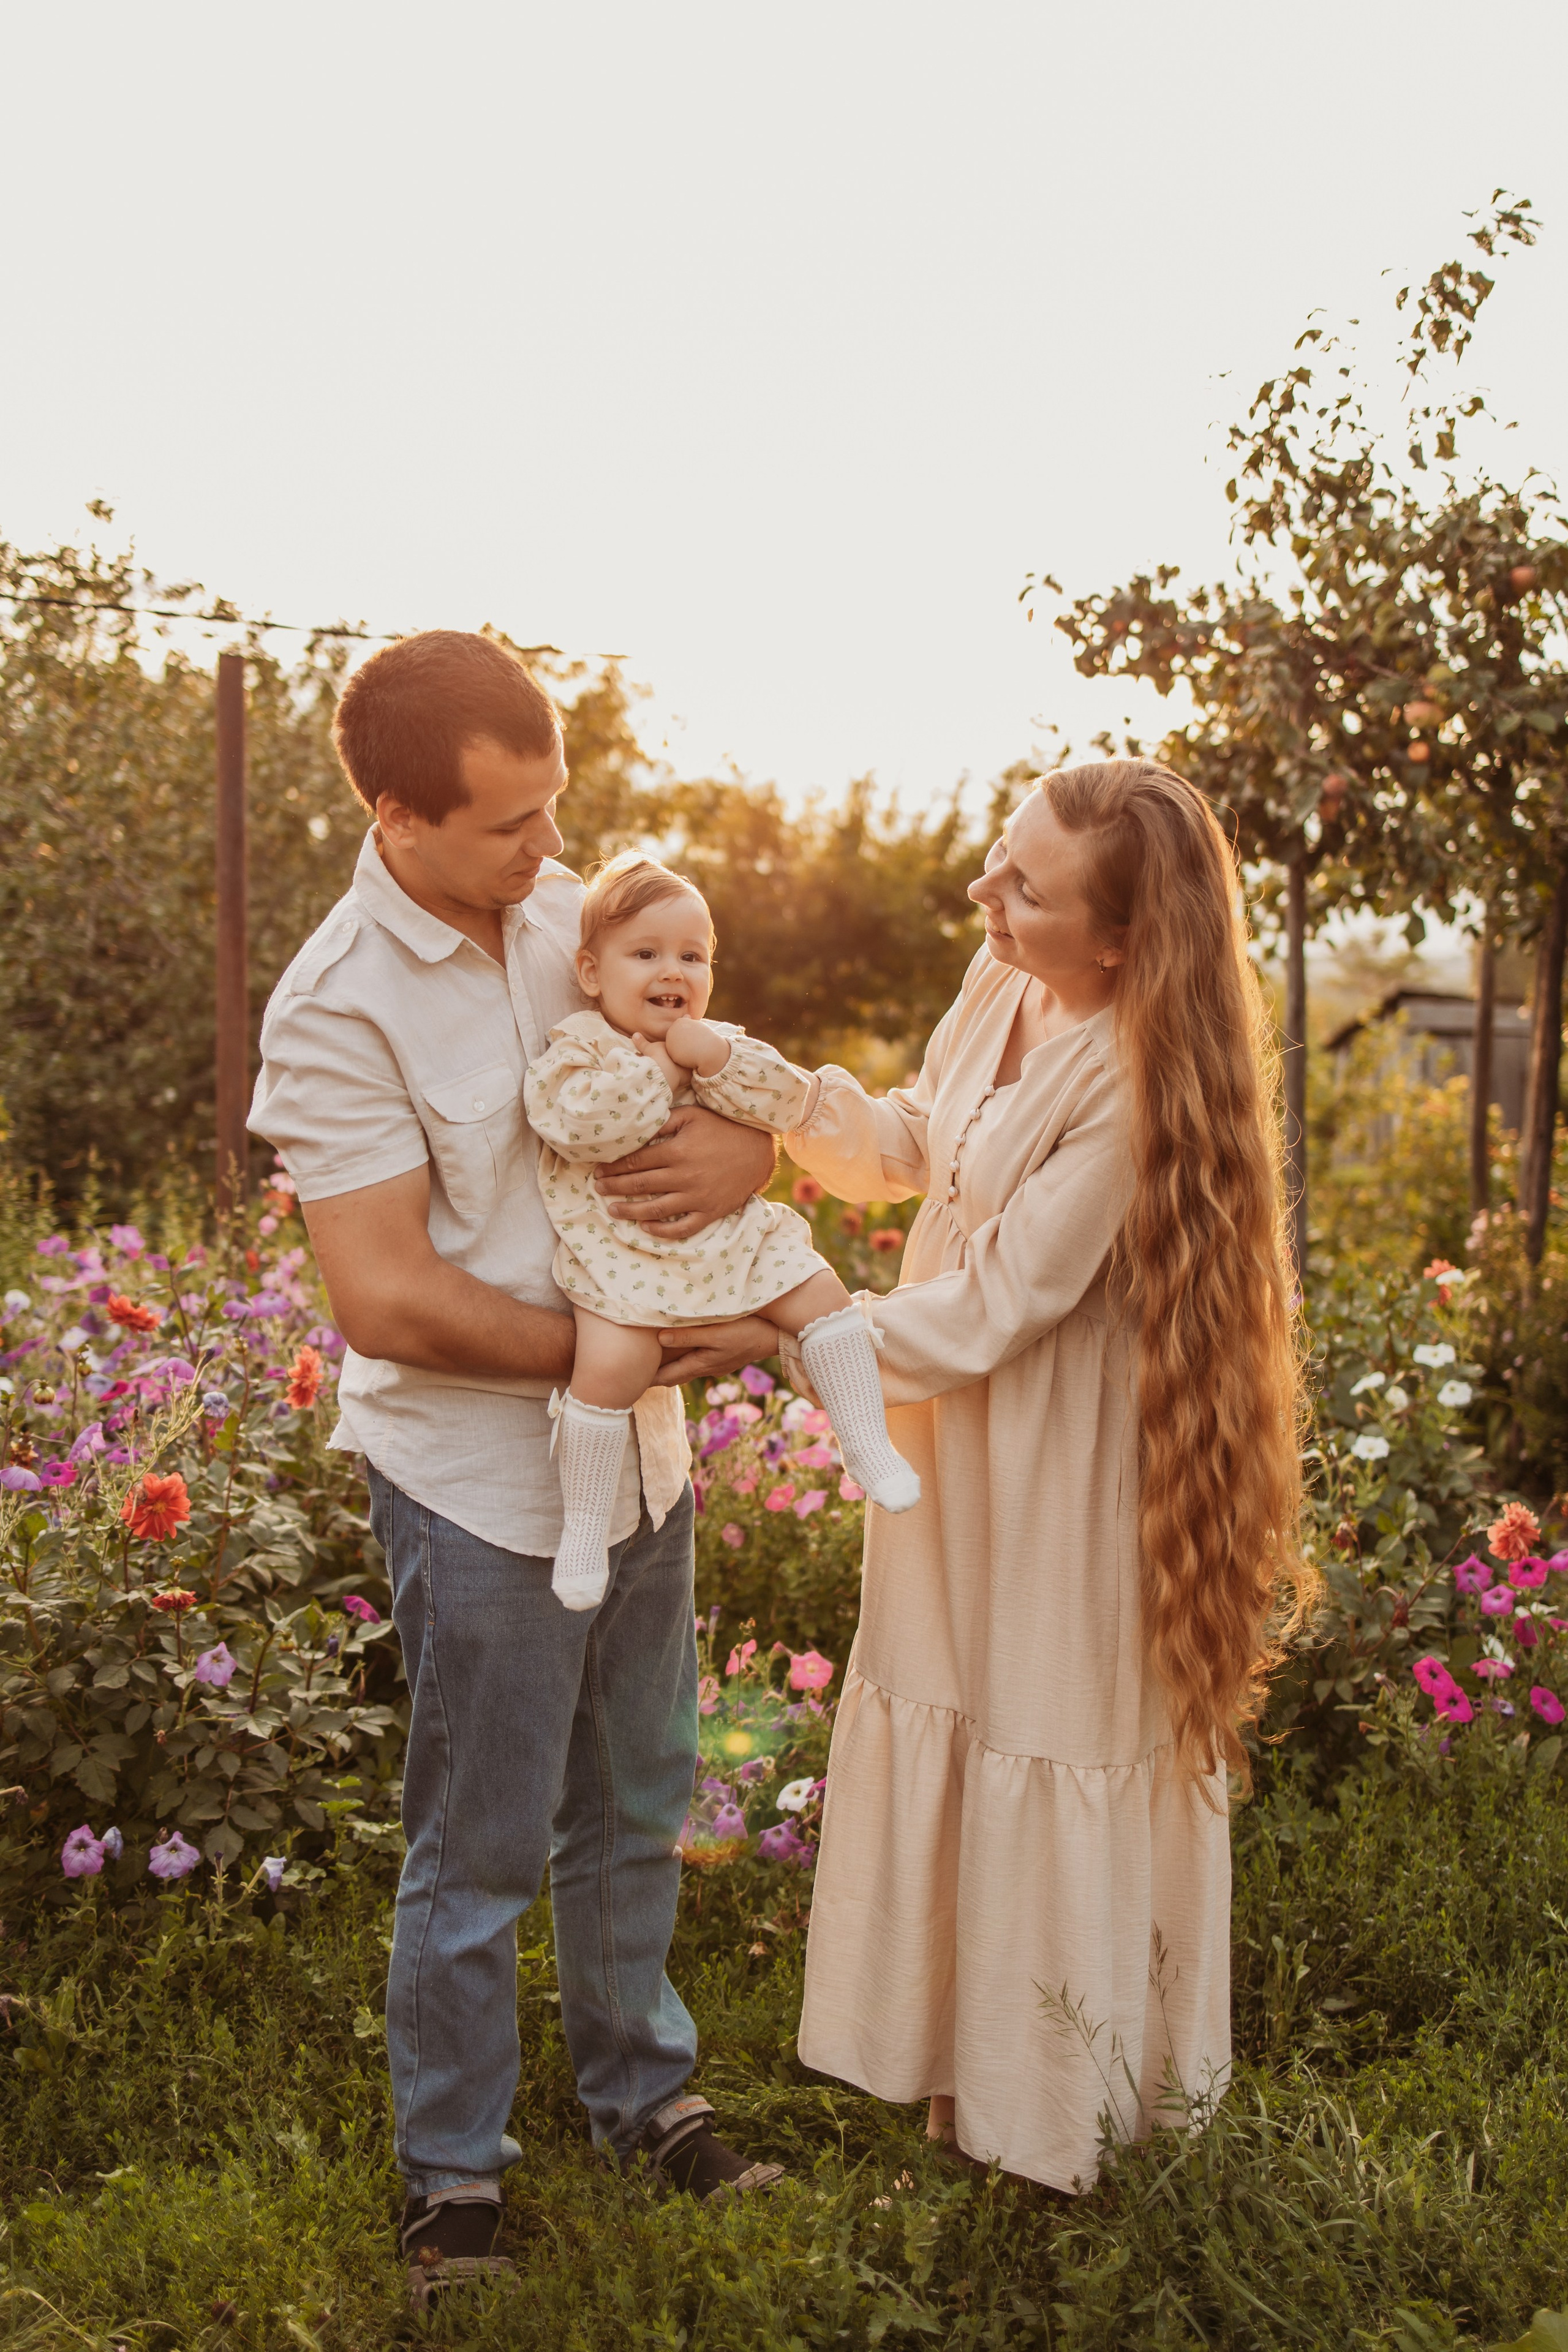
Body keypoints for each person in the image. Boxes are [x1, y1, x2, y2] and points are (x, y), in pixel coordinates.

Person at [247, 631, 786, 2312]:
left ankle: (644, 2097)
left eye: (557, 809)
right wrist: (623, 1346)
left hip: (637, 1458)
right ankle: (456, 2177)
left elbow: (701, 1066)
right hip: (478, 1480)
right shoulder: (337, 1006)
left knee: (636, 1801)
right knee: (473, 1851)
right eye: (509, 826)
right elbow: (386, 1296)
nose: (551, 853)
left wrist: (747, 1152)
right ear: (401, 818)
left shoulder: (573, 910)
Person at [740, 759, 1310, 2193]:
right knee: (958, 1698)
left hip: (1052, 1442)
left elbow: (998, 1301)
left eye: (1023, 889)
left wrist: (783, 1327)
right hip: (949, 1425)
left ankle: (1056, 2112)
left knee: (1044, 1719)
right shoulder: (1001, 985)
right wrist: (756, 1089)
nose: (983, 894)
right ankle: (958, 2071)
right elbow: (917, 1148)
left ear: (1117, 941)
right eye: (999, 861)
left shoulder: (1128, 1074)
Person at [526, 850, 918, 1607]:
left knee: (823, 1295)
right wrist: (662, 1076)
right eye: (645, 954)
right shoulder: (579, 1048)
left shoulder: (714, 1045)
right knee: (611, 1363)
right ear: (591, 972)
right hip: (623, 1253)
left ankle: (866, 1444)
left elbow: (787, 1102)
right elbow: (580, 1127)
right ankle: (581, 1530)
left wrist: (721, 1059)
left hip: (731, 1239)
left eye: (692, 955)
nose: (672, 971)